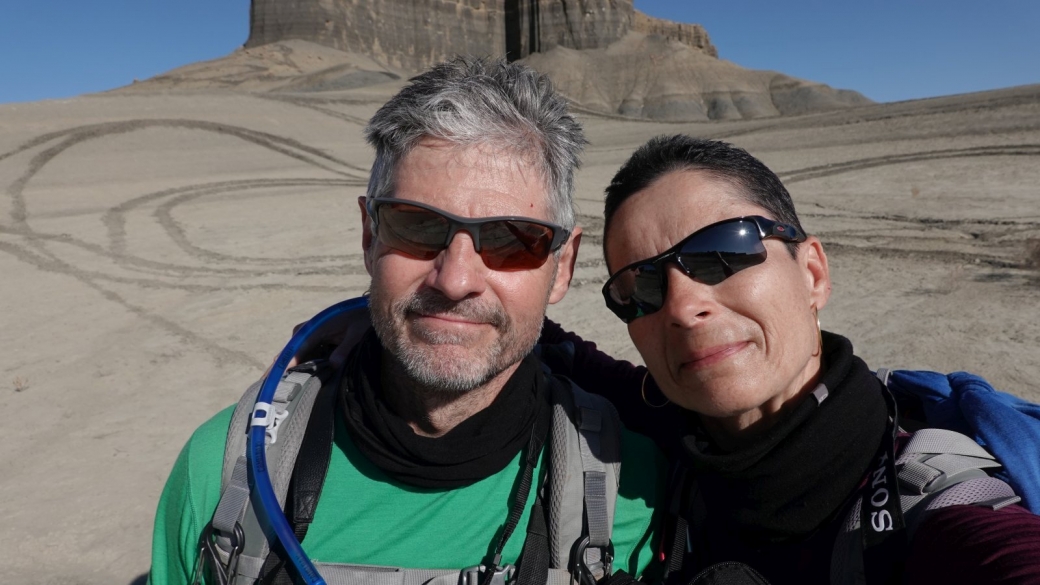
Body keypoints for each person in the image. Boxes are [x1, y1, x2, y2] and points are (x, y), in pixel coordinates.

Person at [147, 57, 664, 585]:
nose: (455, 279)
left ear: (563, 267)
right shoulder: (223, 474)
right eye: (417, 226)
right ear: (370, 238)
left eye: (512, 238)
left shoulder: (632, 486)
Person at [538, 135, 1040, 584]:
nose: (684, 307)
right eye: (642, 286)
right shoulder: (669, 428)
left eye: (723, 254)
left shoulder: (936, 500)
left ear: (813, 274)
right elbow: (553, 346)